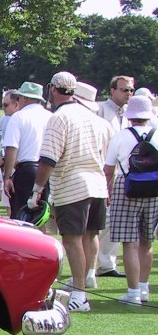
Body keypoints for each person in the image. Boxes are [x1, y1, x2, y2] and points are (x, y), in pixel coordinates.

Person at [31, 71, 112, 312]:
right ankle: (84, 284)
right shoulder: (91, 117)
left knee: (72, 239)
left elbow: (48, 158)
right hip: (96, 183)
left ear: (53, 89)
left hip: (73, 184)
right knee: (90, 235)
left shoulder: (60, 117)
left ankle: (79, 294)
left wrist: (37, 189)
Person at [103, 95, 157, 305]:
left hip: (127, 188)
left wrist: (107, 191)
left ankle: (133, 292)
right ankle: (143, 288)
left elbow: (109, 169)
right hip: (154, 189)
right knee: (147, 241)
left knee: (130, 243)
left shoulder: (121, 136)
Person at [95, 75, 136, 276]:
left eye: (130, 90)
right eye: (124, 89)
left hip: (125, 172)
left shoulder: (131, 113)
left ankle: (107, 263)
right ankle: (96, 263)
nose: (128, 93)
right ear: (113, 90)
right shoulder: (101, 111)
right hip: (104, 168)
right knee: (102, 219)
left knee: (115, 220)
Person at [1, 81, 51, 214]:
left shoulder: (19, 117)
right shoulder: (50, 117)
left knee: (21, 215)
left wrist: (7, 176)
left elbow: (11, 148)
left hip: (26, 170)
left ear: (25, 98)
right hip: (47, 170)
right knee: (40, 217)